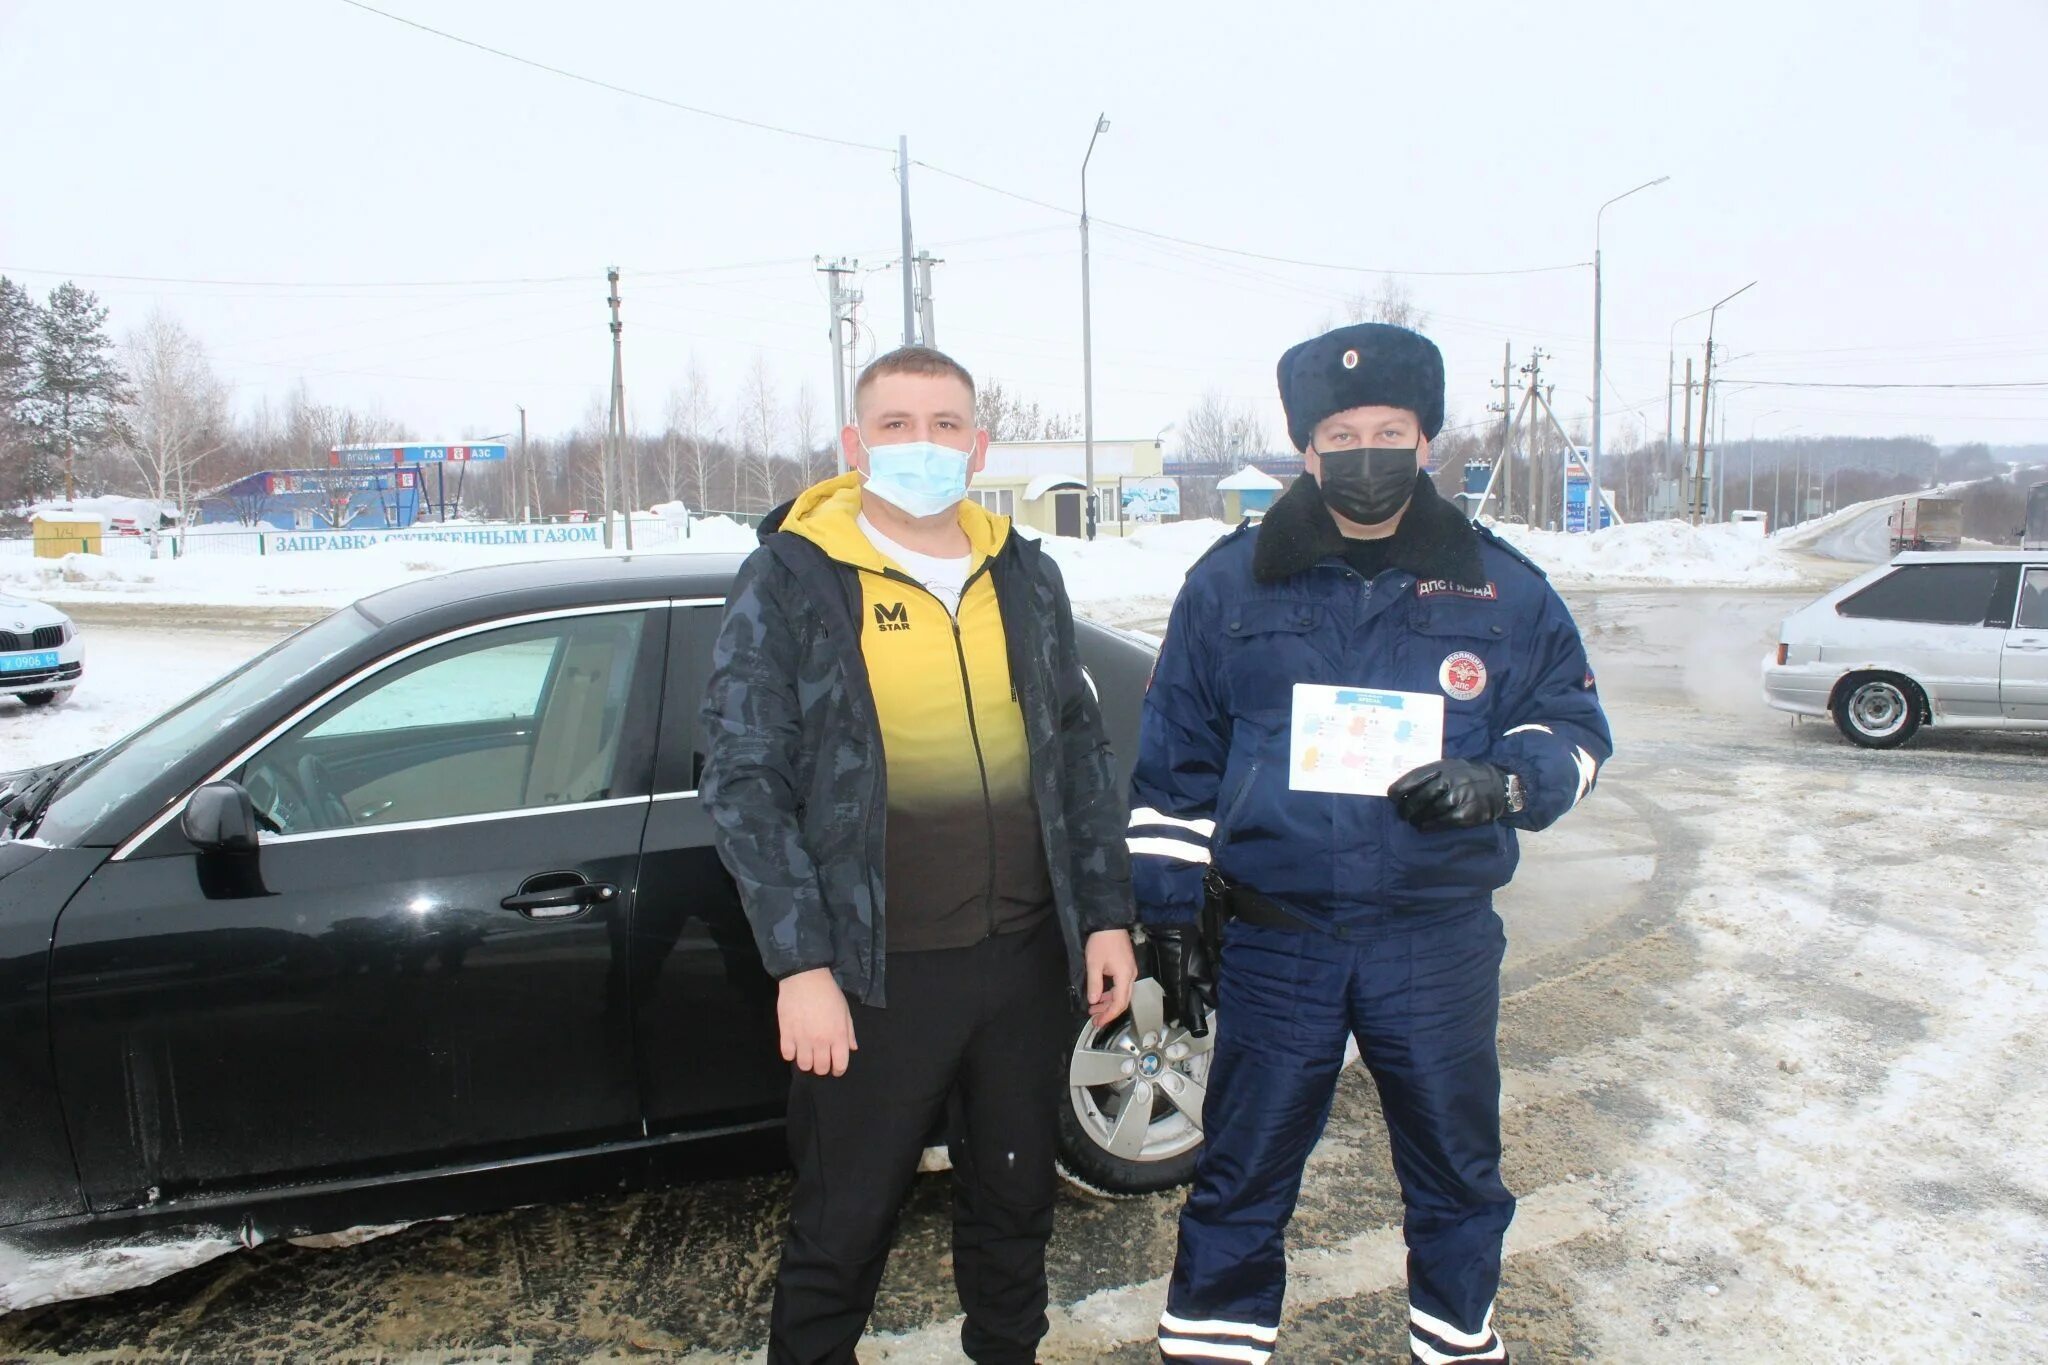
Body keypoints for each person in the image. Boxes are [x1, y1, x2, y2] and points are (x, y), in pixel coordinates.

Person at [1131, 323, 1614, 1364]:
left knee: (1453, 1173)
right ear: (1306, 450)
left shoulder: (1502, 586)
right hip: (1277, 938)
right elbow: (1174, 758)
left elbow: (1573, 731)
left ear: (1425, 441)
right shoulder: (1228, 583)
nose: (1363, 451)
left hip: (1431, 942)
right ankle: (1214, 1346)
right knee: (1242, 1174)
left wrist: (1501, 782)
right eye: (1339, 433)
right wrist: (1167, 918)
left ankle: (1452, 1342)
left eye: (1386, 430)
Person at [700, 344, 1139, 1365]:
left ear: (976, 445)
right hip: (874, 974)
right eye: (895, 426)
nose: (923, 446)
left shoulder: (1024, 575)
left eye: (945, 426)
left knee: (1014, 1204)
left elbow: (1076, 752)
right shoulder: (792, 579)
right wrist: (801, 965)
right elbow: (744, 777)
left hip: (1024, 963)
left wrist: (1105, 915)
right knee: (842, 1226)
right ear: (855, 446)